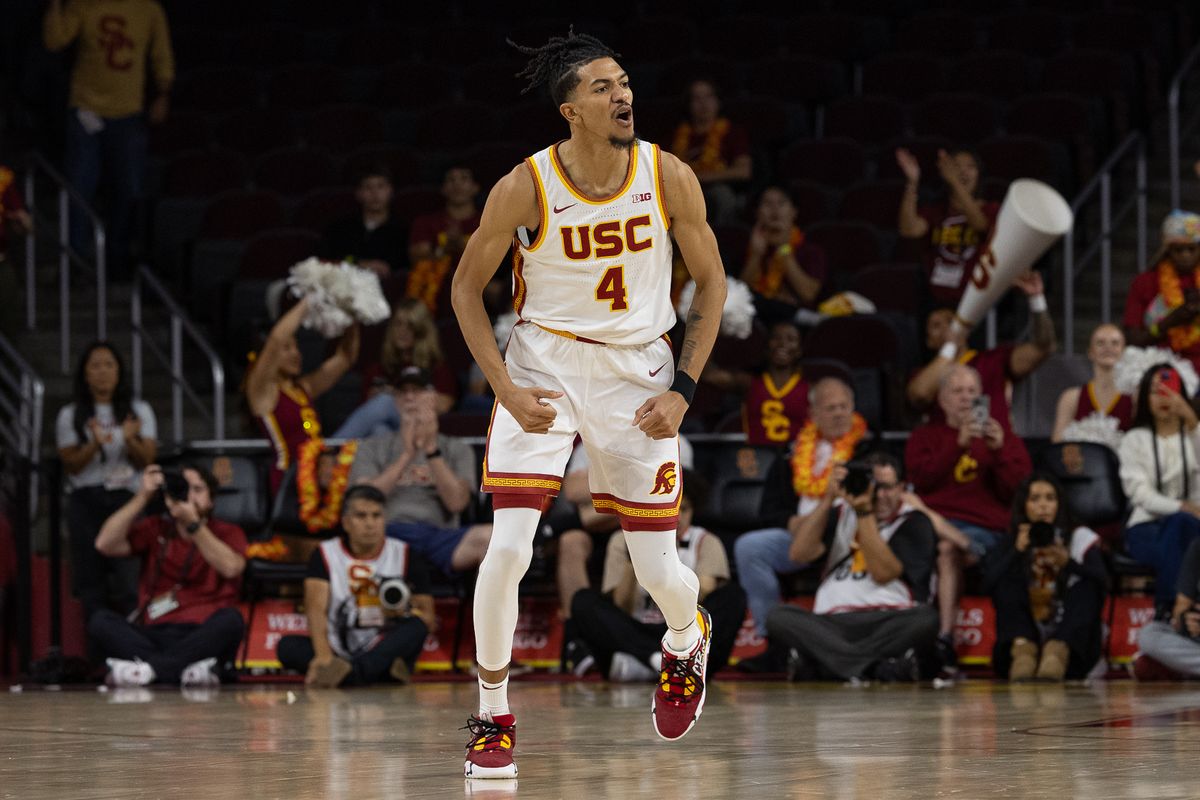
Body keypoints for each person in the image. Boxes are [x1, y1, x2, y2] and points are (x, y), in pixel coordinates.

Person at [449, 30, 727, 777]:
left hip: (638, 372)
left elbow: (713, 284)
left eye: (626, 82)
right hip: (544, 364)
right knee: (508, 549)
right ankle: (493, 713)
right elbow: (462, 291)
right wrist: (504, 388)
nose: (623, 95)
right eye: (604, 87)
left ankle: (684, 637)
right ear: (570, 108)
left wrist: (683, 390)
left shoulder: (667, 175)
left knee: (659, 568)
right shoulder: (524, 185)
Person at [765, 453, 939, 683]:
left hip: (886, 620)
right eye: (873, 487)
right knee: (779, 616)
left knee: (925, 619)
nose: (879, 495)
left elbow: (883, 572)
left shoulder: (914, 521)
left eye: (886, 487)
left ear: (902, 488)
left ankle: (830, 666)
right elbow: (799, 553)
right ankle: (872, 667)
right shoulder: (839, 513)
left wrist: (864, 512)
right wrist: (828, 499)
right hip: (831, 623)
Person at [734, 377, 869, 663]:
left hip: (851, 535)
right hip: (801, 536)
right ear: (814, 414)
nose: (838, 413)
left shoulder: (869, 448)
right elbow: (768, 511)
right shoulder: (791, 453)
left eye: (844, 406)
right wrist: (790, 522)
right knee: (749, 547)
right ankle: (774, 639)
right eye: (830, 408)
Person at [905, 364, 1031, 669]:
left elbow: (1021, 491)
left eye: (972, 392)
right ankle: (924, 636)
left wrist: (1000, 452)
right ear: (941, 399)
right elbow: (921, 481)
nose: (965, 398)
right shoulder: (925, 437)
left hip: (984, 531)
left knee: (948, 550)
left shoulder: (1001, 436)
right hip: (933, 526)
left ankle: (944, 638)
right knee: (939, 540)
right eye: (957, 391)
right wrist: (957, 445)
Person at [42, 0, 174, 279]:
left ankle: (117, 259)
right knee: (79, 188)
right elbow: (55, 41)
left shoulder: (148, 9)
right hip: (86, 110)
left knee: (128, 190)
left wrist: (163, 93)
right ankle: (75, 261)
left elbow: (161, 56)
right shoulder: (84, 4)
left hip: (128, 114)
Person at [569, 473, 746, 681]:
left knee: (733, 595)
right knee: (582, 601)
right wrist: (632, 557)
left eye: (685, 510)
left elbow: (702, 595)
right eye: (669, 509)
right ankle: (656, 659)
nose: (677, 517)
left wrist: (667, 557)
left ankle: (670, 658)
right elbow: (621, 604)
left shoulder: (705, 541)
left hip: (683, 635)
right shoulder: (621, 539)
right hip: (633, 632)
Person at [89, 463, 247, 687]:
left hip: (201, 635)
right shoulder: (157, 528)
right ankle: (181, 670)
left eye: (198, 489)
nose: (189, 496)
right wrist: (143, 496)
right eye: (183, 488)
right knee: (100, 620)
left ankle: (147, 671)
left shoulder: (227, 531)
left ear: (211, 500)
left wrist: (193, 524)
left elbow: (232, 568)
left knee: (232, 620)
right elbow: (104, 544)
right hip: (153, 634)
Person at [556, 436, 696, 676]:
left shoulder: (674, 437)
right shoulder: (593, 435)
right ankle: (576, 641)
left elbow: (677, 492)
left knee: (728, 598)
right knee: (571, 544)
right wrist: (633, 482)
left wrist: (608, 488)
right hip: (606, 530)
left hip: (656, 524)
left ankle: (665, 650)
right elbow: (572, 491)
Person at [276, 485, 436, 687]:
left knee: (417, 626)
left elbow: (428, 616)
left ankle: (350, 675)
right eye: (361, 516)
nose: (370, 523)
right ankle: (379, 674)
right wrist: (324, 657)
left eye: (376, 516)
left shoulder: (405, 554)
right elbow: (315, 609)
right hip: (338, 647)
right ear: (346, 522)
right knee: (286, 647)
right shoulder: (325, 554)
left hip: (384, 643)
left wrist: (400, 611)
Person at [346, 366, 491, 576]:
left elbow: (457, 503)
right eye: (403, 392)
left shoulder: (457, 448)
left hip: (438, 536)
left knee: (490, 539)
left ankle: (479, 610)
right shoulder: (372, 446)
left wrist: (431, 451)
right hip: (384, 534)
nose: (410, 397)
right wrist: (405, 454)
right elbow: (363, 498)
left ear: (432, 397)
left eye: (418, 391)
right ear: (395, 401)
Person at [56, 342, 157, 624]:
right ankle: (97, 658)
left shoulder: (139, 411)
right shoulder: (70, 414)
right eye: (95, 365)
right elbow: (71, 463)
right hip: (86, 499)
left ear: (120, 371)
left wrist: (128, 438)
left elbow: (148, 458)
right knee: (90, 582)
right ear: (85, 374)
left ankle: (136, 653)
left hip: (127, 499)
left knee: (129, 581)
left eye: (109, 364)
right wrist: (93, 444)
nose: (103, 372)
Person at [982, 474, 1106, 681]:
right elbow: (987, 585)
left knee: (1087, 585)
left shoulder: (1079, 536)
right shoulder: (1014, 539)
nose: (1043, 506)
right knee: (1006, 582)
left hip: (1072, 645)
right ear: (1024, 506)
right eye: (1035, 499)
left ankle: (1057, 651)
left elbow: (1103, 582)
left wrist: (1069, 563)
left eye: (1050, 498)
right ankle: (1024, 653)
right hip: (1021, 637)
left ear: (1060, 503)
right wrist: (1017, 551)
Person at [244, 296, 360, 493]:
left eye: (296, 346)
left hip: (319, 475)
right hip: (288, 482)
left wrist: (351, 315)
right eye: (287, 348)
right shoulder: (261, 390)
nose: (296, 353)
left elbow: (345, 358)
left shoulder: (303, 388)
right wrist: (311, 298)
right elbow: (276, 339)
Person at [905, 272, 1056, 423]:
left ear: (965, 327)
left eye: (951, 321)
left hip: (992, 442)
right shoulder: (922, 374)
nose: (946, 328)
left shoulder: (994, 361)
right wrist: (950, 347)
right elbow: (920, 394)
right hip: (946, 445)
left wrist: (1036, 299)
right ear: (929, 341)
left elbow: (1043, 347)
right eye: (936, 325)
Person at [1118, 363, 1200, 612]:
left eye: (1169, 387)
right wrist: (1182, 508)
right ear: (1144, 397)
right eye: (1155, 390)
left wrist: (1192, 421)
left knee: (1181, 527)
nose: (1163, 395)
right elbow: (1140, 493)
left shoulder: (1195, 436)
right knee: (1178, 529)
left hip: (1193, 524)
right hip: (1146, 526)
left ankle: (1168, 613)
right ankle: (1175, 612)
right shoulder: (1134, 439)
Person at [335, 299, 459, 439]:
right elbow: (367, 406)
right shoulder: (379, 367)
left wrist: (395, 396)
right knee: (379, 430)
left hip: (423, 430)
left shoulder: (436, 367)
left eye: (410, 326)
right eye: (398, 324)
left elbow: (444, 406)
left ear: (421, 331)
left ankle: (332, 447)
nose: (403, 331)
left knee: (384, 402)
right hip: (394, 439)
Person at [895, 147, 999, 307]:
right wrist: (912, 182)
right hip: (936, 302)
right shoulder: (935, 212)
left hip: (975, 304)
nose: (963, 171)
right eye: (956, 166)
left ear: (979, 174)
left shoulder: (990, 209)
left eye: (970, 166)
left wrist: (955, 181)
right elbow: (909, 230)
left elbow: (980, 225)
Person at [701, 320, 809, 446]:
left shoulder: (811, 390)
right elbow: (707, 374)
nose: (782, 343)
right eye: (776, 338)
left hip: (798, 461)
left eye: (791, 339)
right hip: (756, 460)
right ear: (767, 345)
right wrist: (712, 330)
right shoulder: (748, 383)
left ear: (800, 350)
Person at [1123, 210, 1200, 371]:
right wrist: (1169, 322)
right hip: (1160, 371)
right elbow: (1133, 340)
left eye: (1192, 249)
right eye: (1178, 250)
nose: (1185, 255)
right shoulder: (1145, 282)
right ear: (1167, 250)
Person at [740, 186, 827, 327]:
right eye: (767, 204)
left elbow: (808, 294)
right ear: (757, 212)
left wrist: (783, 249)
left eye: (781, 203)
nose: (775, 210)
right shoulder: (749, 247)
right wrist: (756, 255)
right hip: (755, 321)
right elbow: (741, 293)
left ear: (794, 212)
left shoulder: (810, 251)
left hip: (797, 326)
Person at [668, 78, 751, 225]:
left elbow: (743, 171)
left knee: (722, 195)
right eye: (697, 98)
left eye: (709, 97)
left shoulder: (732, 132)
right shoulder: (677, 134)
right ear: (688, 104)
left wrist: (702, 177)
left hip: (717, 188)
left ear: (718, 101)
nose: (703, 104)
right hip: (683, 190)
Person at [407, 165, 482, 314]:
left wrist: (460, 244)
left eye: (464, 179)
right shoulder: (426, 222)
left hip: (479, 294)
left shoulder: (488, 222)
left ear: (475, 187)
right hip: (434, 296)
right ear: (443, 189)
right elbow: (416, 258)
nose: (457, 185)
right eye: (451, 180)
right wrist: (442, 250)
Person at [318, 165, 407, 279]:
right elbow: (326, 261)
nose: (375, 193)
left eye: (381, 186)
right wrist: (359, 264)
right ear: (358, 193)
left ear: (391, 191)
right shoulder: (339, 228)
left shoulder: (403, 230)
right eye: (368, 187)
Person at [1051, 323, 1133, 443]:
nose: (1108, 348)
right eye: (1100, 343)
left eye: (1115, 343)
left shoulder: (1134, 397)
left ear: (1124, 352)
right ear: (1090, 352)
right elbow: (1058, 444)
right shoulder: (1071, 397)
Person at [1135, 538, 1200, 679]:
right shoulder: (1197, 547)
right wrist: (1185, 621)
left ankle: (1183, 669)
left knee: (1146, 666)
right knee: (1148, 633)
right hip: (1196, 638)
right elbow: (1181, 607)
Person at [0, 163, 32, 340]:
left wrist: (21, 221)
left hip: (1, 263)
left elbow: (25, 226)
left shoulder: (2, 177)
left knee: (9, 327)